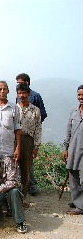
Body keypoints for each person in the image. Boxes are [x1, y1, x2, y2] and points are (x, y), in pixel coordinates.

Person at [16, 73, 46, 195]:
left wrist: (36, 146)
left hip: (28, 140)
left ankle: (25, 193)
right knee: (13, 166)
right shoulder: (13, 109)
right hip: (15, 140)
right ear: (17, 95)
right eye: (20, 93)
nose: (22, 96)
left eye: (24, 93)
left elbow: (38, 128)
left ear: (29, 94)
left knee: (26, 167)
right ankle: (14, 192)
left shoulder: (35, 110)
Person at [63, 85, 83, 215]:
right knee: (73, 176)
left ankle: (81, 206)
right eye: (79, 95)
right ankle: (78, 202)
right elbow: (68, 131)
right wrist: (65, 148)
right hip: (74, 149)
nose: (81, 97)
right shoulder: (73, 111)